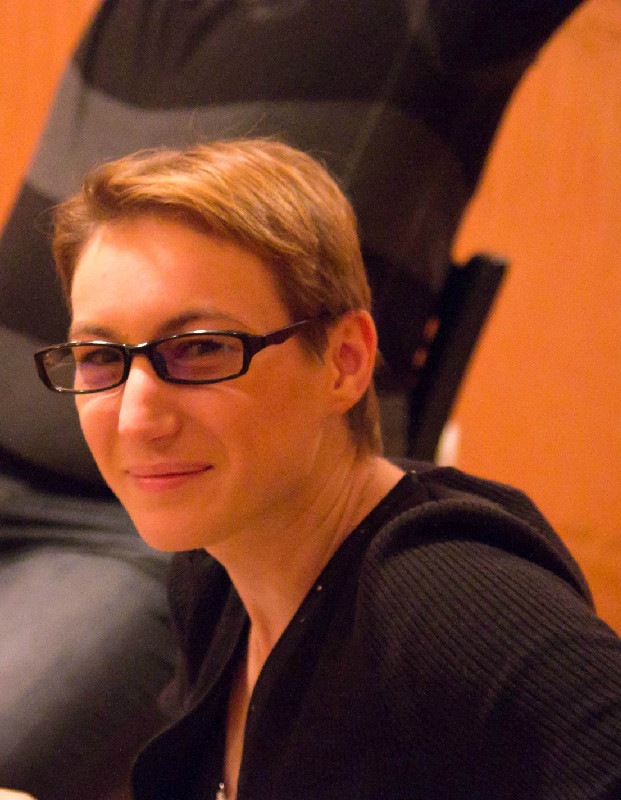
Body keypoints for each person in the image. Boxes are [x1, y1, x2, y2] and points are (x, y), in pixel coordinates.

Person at [0, 1, 590, 795]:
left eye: (200, 348)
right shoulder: (215, 575)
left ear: (345, 361)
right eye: (101, 356)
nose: (138, 416)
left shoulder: (441, 596)